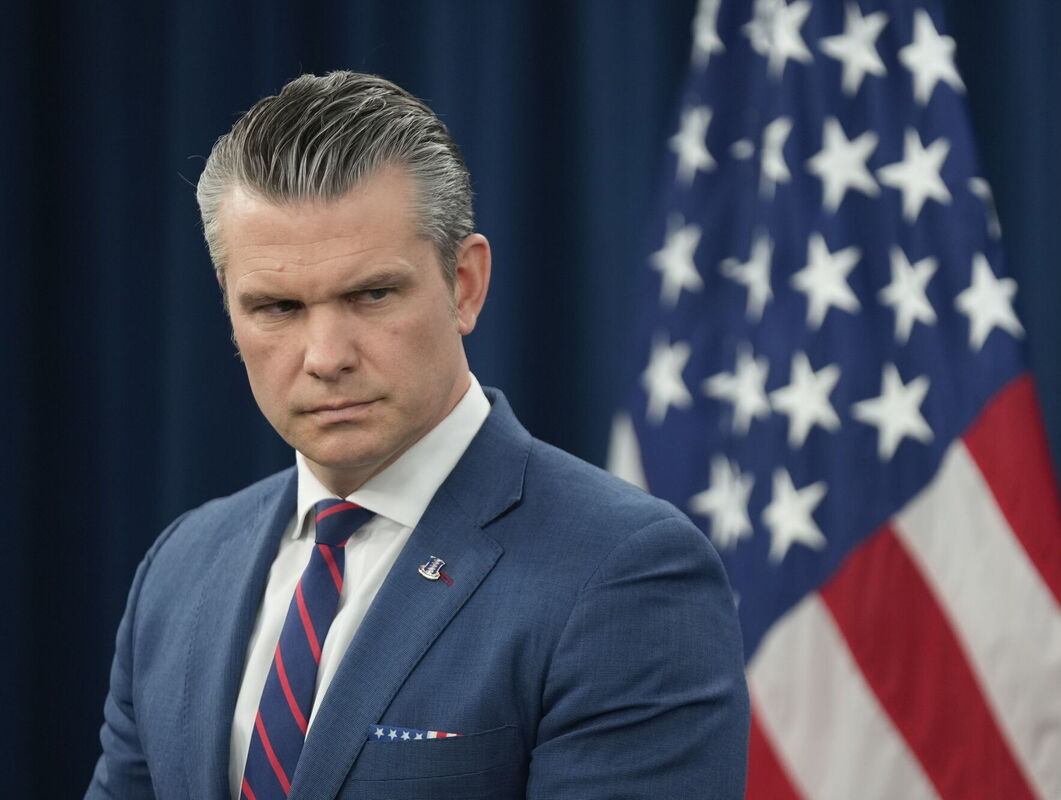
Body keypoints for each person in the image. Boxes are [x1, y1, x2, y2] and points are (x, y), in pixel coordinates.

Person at [85, 70, 749, 800]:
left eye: (372, 294)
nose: (326, 356)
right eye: (276, 307)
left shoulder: (626, 572)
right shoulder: (180, 569)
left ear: (464, 284)